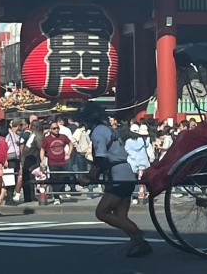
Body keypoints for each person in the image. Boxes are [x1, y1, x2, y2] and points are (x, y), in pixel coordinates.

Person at [75, 102, 152, 258]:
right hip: (125, 172)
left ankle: (136, 233)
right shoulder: (108, 129)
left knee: (101, 212)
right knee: (121, 216)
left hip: (119, 175)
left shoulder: (98, 132)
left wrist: (90, 177)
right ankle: (139, 243)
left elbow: (101, 159)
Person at [40, 120, 74, 204]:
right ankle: (56, 197)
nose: (56, 130)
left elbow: (71, 144)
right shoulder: (47, 139)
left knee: (65, 177)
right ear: (50, 130)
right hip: (52, 162)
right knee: (54, 180)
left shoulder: (63, 137)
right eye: (54, 128)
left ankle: (60, 192)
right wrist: (42, 160)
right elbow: (42, 149)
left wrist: (68, 154)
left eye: (57, 128)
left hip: (63, 161)